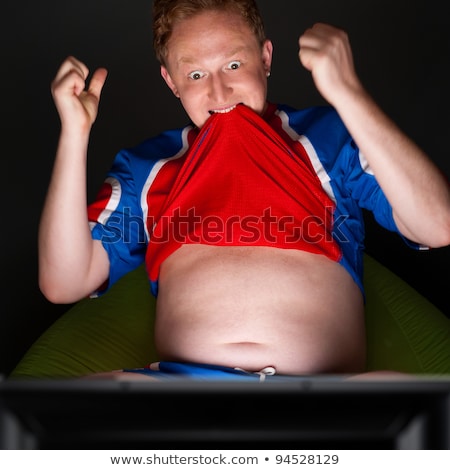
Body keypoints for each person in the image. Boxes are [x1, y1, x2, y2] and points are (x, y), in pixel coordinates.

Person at [38, 0, 450, 381]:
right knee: (67, 409)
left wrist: (347, 92)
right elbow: (63, 282)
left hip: (325, 399)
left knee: (415, 404)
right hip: (181, 398)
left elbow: (438, 224)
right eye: (195, 74)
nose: (219, 93)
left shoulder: (326, 138)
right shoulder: (148, 168)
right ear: (171, 82)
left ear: (265, 58)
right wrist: (74, 135)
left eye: (234, 65)